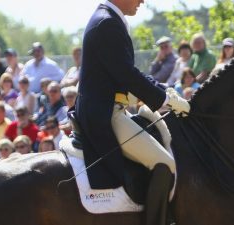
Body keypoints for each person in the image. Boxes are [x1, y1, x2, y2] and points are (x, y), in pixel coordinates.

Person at [76, 1, 190, 225]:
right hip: (106, 115)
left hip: (112, 109)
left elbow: (129, 71)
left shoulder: (109, 19)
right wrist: (165, 99)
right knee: (165, 163)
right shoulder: (107, 23)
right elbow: (126, 74)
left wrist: (163, 91)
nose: (142, 1)